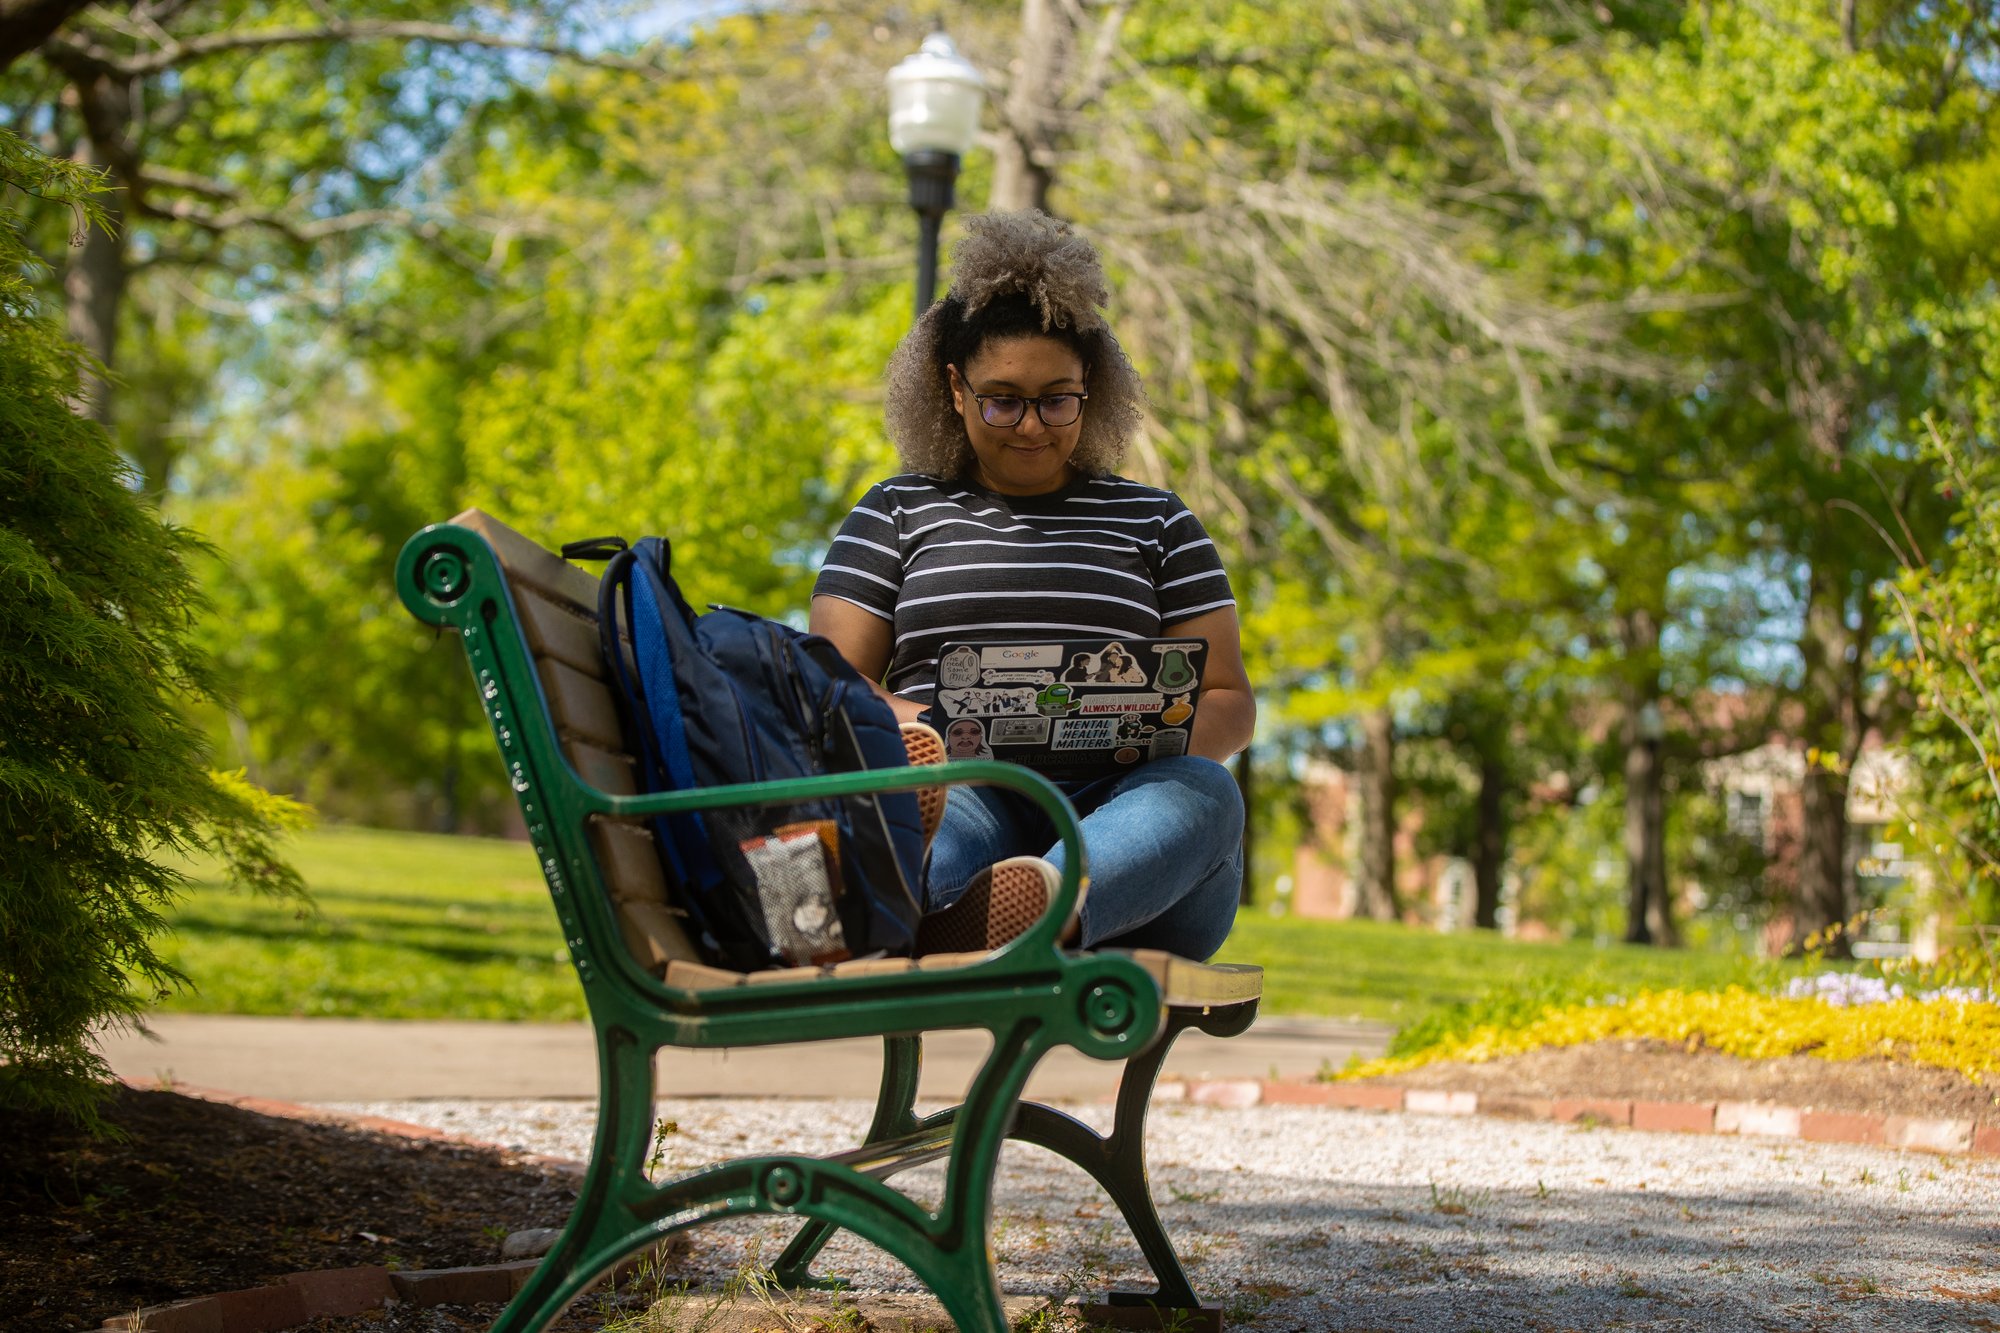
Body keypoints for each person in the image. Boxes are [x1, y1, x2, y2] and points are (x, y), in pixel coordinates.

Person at [811, 210, 1254, 960]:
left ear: (1092, 388)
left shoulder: (1158, 521)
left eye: (1057, 399)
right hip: (967, 789)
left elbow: (1229, 699)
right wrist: (942, 718)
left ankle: (1042, 904)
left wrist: (1156, 743)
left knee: (1206, 796)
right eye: (1003, 399)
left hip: (1132, 822)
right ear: (955, 388)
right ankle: (961, 901)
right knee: (933, 837)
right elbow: (833, 678)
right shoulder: (897, 510)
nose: (1031, 426)